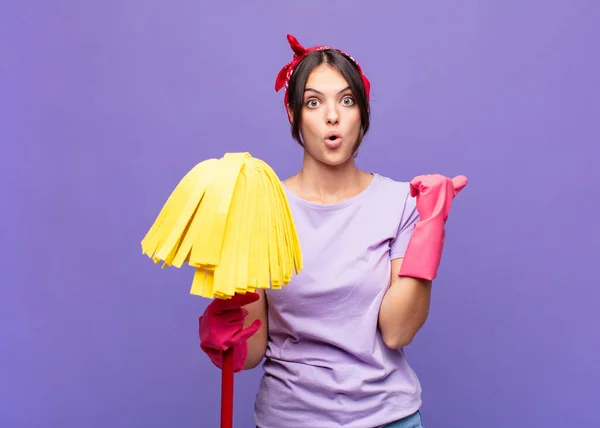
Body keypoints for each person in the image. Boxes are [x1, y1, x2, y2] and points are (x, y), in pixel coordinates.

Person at [199, 34, 467, 428]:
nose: (332, 116)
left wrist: (429, 232)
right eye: (313, 102)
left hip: (388, 418)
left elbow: (397, 331)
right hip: (288, 419)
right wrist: (227, 330)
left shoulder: (402, 202)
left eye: (347, 100)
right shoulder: (259, 208)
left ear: (362, 111)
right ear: (292, 114)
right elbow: (253, 352)